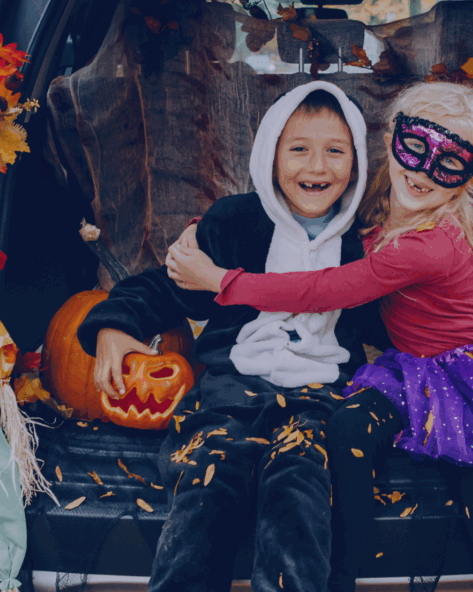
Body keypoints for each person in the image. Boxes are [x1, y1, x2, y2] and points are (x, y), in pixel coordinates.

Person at [166, 81, 473, 592]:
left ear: (467, 178)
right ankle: (340, 577)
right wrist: (215, 226)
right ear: (391, 143)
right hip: (414, 368)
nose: (423, 171)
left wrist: (221, 280)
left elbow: (325, 287)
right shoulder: (383, 201)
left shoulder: (429, 245)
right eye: (416, 148)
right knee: (348, 430)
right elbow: (297, 223)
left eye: (448, 164)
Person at [77, 82, 379, 592]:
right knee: (208, 479)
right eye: (299, 149)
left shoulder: (366, 240)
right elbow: (167, 286)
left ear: (357, 161)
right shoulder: (236, 222)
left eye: (335, 151)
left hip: (318, 395)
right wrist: (114, 324)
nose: (317, 167)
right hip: (229, 387)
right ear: (270, 154)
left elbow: (393, 317)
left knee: (300, 485)